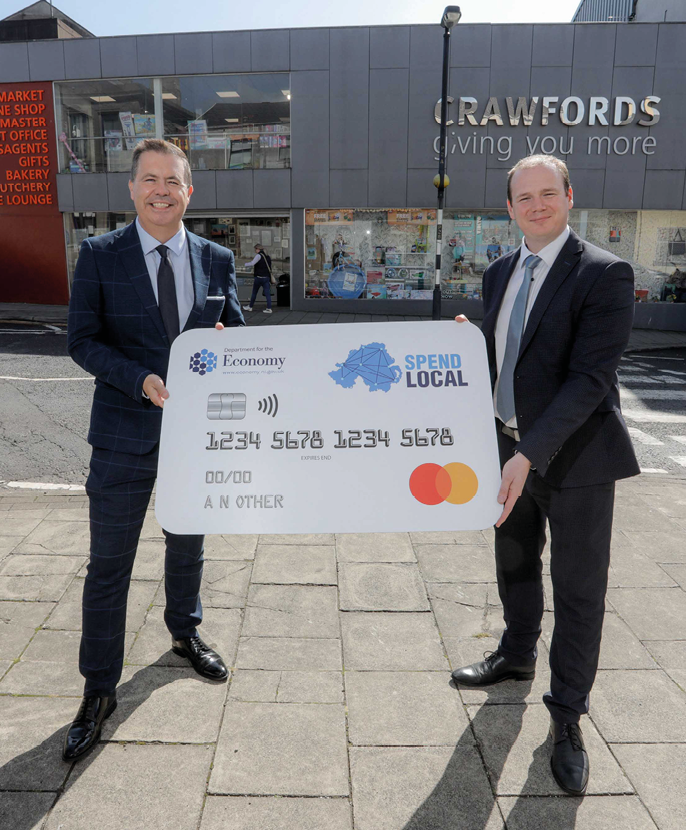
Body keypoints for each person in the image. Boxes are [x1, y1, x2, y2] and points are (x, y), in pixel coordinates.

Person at [452, 154, 639, 796]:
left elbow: (590, 379)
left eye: (547, 194)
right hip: (506, 451)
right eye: (523, 197)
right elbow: (504, 356)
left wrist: (529, 452)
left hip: (576, 459)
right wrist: (461, 347)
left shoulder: (604, 272)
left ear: (567, 195)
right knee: (514, 562)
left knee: (579, 589)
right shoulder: (501, 271)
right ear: (509, 207)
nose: (536, 206)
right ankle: (516, 652)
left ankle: (566, 719)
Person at [64, 138, 244, 763]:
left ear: (189, 191)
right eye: (150, 179)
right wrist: (137, 379)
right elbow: (82, 342)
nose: (161, 190)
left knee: (188, 547)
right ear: (133, 188)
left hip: (195, 440)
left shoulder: (217, 258)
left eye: (173, 180)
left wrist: (227, 345)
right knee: (108, 567)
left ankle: (184, 634)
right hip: (122, 435)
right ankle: (97, 690)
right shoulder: (99, 254)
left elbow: (238, 338)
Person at [243, 244, 273, 313]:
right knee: (267, 294)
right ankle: (269, 308)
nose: (255, 251)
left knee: (254, 293)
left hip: (259, 278)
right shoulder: (268, 257)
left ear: (258, 249)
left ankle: (250, 307)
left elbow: (252, 263)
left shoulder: (258, 256)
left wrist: (245, 264)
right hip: (266, 278)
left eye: (255, 249)